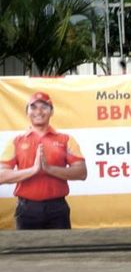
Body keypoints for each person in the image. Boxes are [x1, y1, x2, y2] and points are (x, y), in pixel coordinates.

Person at [0, 92, 87, 229]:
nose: (38, 111)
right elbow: (1, 176)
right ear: (27, 112)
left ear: (51, 112)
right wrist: (33, 170)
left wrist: (49, 169)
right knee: (28, 250)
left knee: (60, 250)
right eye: (33, 107)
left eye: (44, 107)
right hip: (26, 210)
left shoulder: (66, 139)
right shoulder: (16, 141)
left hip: (57, 209)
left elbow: (81, 172)